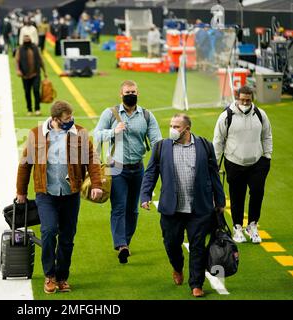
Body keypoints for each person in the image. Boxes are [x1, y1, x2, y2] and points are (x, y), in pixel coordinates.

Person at [16, 101, 103, 294]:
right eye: (66, 119)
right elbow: (24, 165)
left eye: (71, 117)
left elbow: (93, 160)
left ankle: (62, 277)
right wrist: (21, 191)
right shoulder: (36, 134)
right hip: (45, 193)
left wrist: (96, 185)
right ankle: (50, 275)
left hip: (70, 194)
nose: (70, 121)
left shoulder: (79, 133)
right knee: (48, 231)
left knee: (67, 236)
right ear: (55, 119)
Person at [141, 113, 226, 298]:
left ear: (187, 129)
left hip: (199, 208)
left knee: (198, 246)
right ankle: (177, 267)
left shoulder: (204, 146)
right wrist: (145, 195)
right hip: (172, 209)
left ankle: (196, 284)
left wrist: (220, 200)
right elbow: (150, 173)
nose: (172, 129)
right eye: (171, 125)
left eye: (177, 127)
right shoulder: (161, 147)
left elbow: (214, 174)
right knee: (171, 244)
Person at [94, 80, 162, 264]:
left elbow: (157, 141)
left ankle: (126, 242)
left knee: (133, 210)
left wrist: (160, 161)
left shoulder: (147, 116)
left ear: (138, 93)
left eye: (133, 91)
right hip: (115, 167)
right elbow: (96, 135)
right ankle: (121, 245)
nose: (130, 94)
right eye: (127, 91)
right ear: (121, 94)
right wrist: (113, 131)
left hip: (138, 168)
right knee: (119, 207)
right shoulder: (110, 113)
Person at [213, 86, 272, 244]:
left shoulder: (260, 114)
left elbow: (267, 136)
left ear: (252, 98)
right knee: (237, 196)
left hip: (257, 162)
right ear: (237, 98)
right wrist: (214, 164)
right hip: (234, 163)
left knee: (257, 193)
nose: (245, 102)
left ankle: (252, 225)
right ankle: (237, 227)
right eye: (243, 99)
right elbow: (218, 141)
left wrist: (267, 156)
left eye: (248, 99)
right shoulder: (226, 116)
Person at [15, 33, 48, 116]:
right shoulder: (20, 49)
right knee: (27, 92)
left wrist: (45, 72)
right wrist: (18, 70)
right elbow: (17, 61)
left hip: (36, 73)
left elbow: (41, 60)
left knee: (36, 91)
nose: (27, 40)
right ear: (23, 40)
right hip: (25, 75)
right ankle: (29, 109)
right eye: (25, 38)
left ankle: (37, 109)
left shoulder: (35, 48)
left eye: (28, 38)